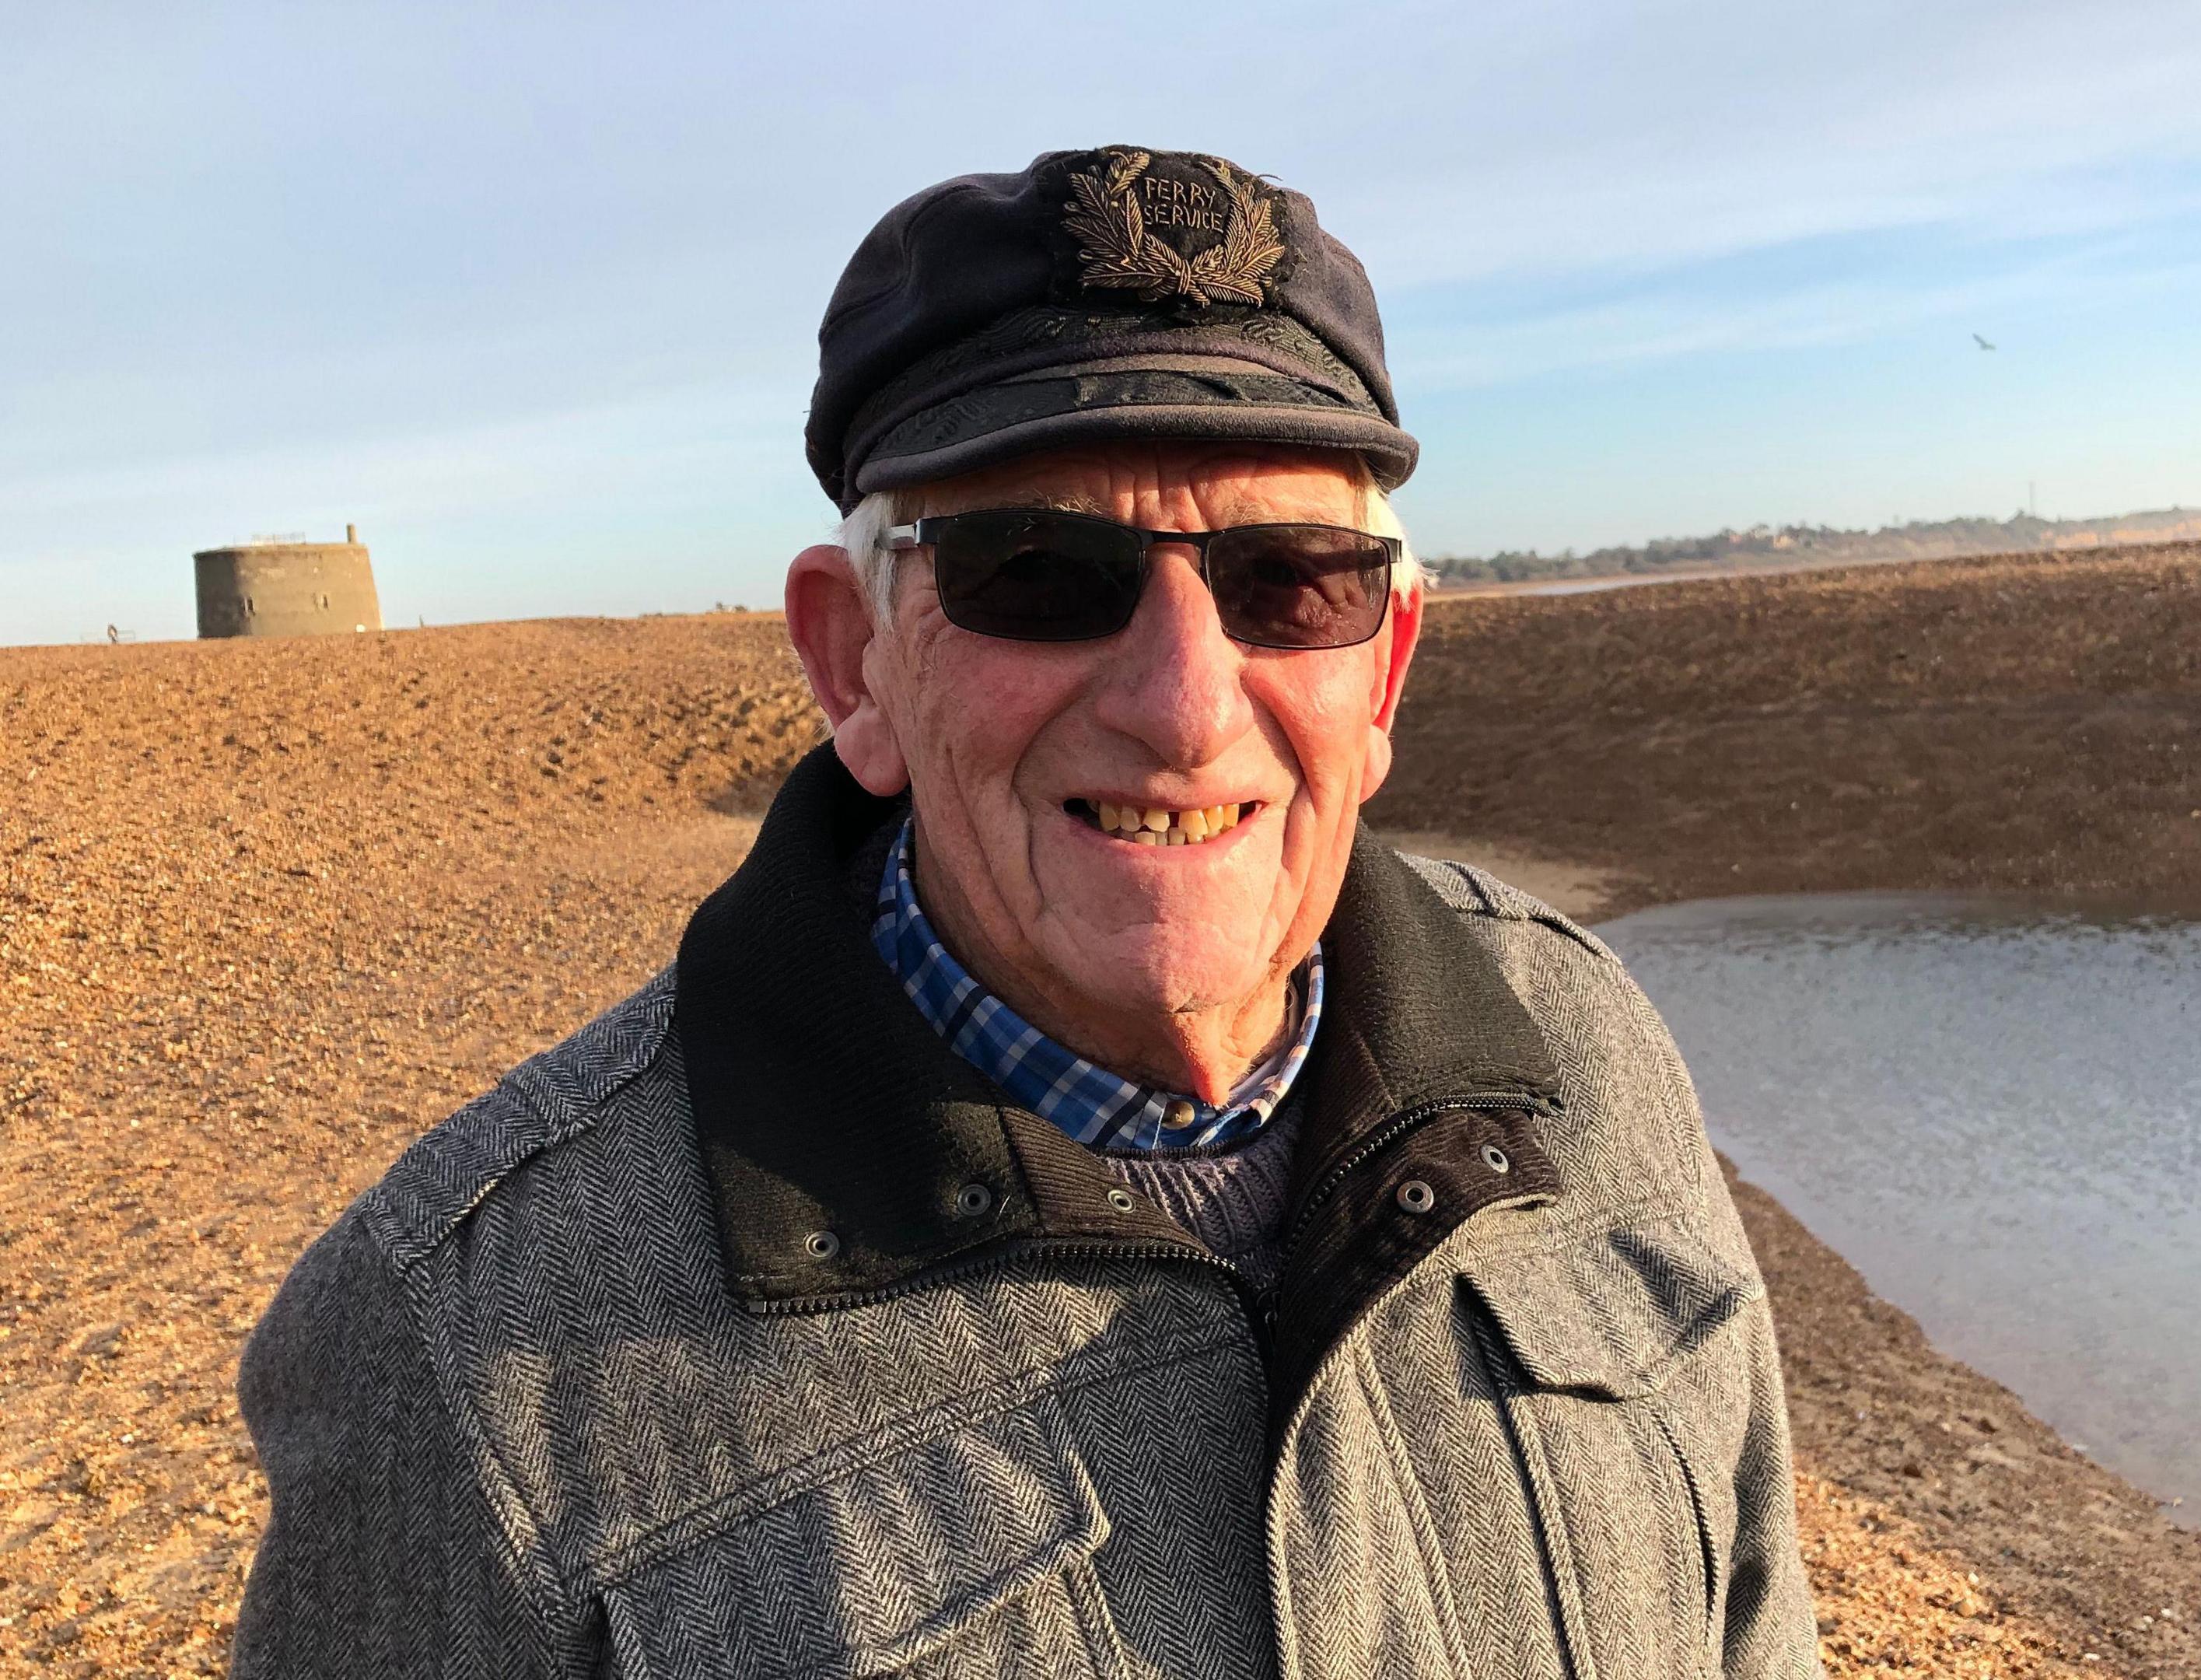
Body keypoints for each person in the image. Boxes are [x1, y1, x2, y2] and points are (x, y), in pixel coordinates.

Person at [233, 145, 1818, 1679]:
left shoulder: (1589, 1052)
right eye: (1043, 574)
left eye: (1291, 582)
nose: (1189, 709)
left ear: (1385, 664)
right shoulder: (457, 1342)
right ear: (854, 660)